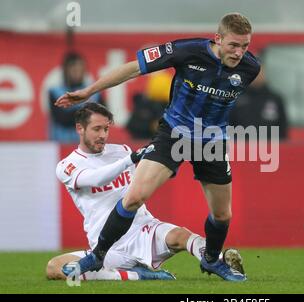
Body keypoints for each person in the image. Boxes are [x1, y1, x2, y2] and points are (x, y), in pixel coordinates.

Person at [55, 13, 260, 282]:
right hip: (173, 134)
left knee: (222, 215)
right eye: (233, 45)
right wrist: (89, 90)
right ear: (218, 38)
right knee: (134, 196)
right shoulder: (187, 51)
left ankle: (211, 259)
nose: (239, 52)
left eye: (245, 46)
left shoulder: (250, 68)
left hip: (212, 141)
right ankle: (98, 255)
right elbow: (133, 68)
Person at [48, 102, 244, 281]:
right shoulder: (67, 165)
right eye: (96, 129)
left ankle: (221, 261)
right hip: (108, 245)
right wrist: (130, 159)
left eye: (106, 129)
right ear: (79, 129)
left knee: (181, 236)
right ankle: (136, 275)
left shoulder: (120, 150)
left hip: (143, 229)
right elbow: (97, 178)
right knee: (55, 268)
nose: (102, 135)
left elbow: (146, 179)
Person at [49, 52, 104, 143]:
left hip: (89, 146)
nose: (77, 72)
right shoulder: (55, 92)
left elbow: (102, 119)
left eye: (80, 68)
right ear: (65, 70)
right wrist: (88, 109)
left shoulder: (94, 92)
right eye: (74, 68)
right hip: (61, 146)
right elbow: (62, 119)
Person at [229, 66, 288, 140]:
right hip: (242, 148)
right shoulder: (236, 98)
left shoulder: (275, 99)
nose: (257, 76)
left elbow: (282, 128)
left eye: (259, 72)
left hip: (270, 149)